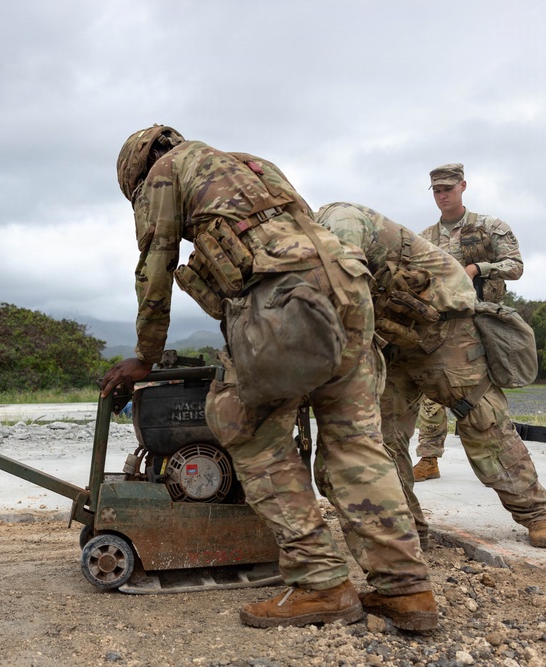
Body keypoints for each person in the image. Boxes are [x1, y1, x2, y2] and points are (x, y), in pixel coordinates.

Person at [100, 126, 435, 631]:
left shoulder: (162, 174)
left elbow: (155, 265)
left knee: (249, 429)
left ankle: (321, 584)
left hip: (282, 301)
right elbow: (304, 224)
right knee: (355, 445)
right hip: (346, 287)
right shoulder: (251, 165)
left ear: (136, 172)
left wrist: (145, 357)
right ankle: (407, 591)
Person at [316, 202, 546, 549]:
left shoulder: (339, 222)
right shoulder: (299, 250)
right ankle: (407, 529)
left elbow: (344, 293)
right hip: (394, 342)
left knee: (481, 418)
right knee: (381, 435)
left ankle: (537, 513)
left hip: (446, 328)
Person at [413, 163, 524, 483]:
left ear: (463, 186)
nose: (442, 195)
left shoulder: (489, 227)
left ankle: (503, 460)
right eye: (437, 190)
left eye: (448, 189)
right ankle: (428, 458)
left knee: (485, 395)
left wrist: (479, 268)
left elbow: (516, 266)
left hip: (481, 322)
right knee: (432, 391)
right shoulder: (425, 238)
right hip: (440, 325)